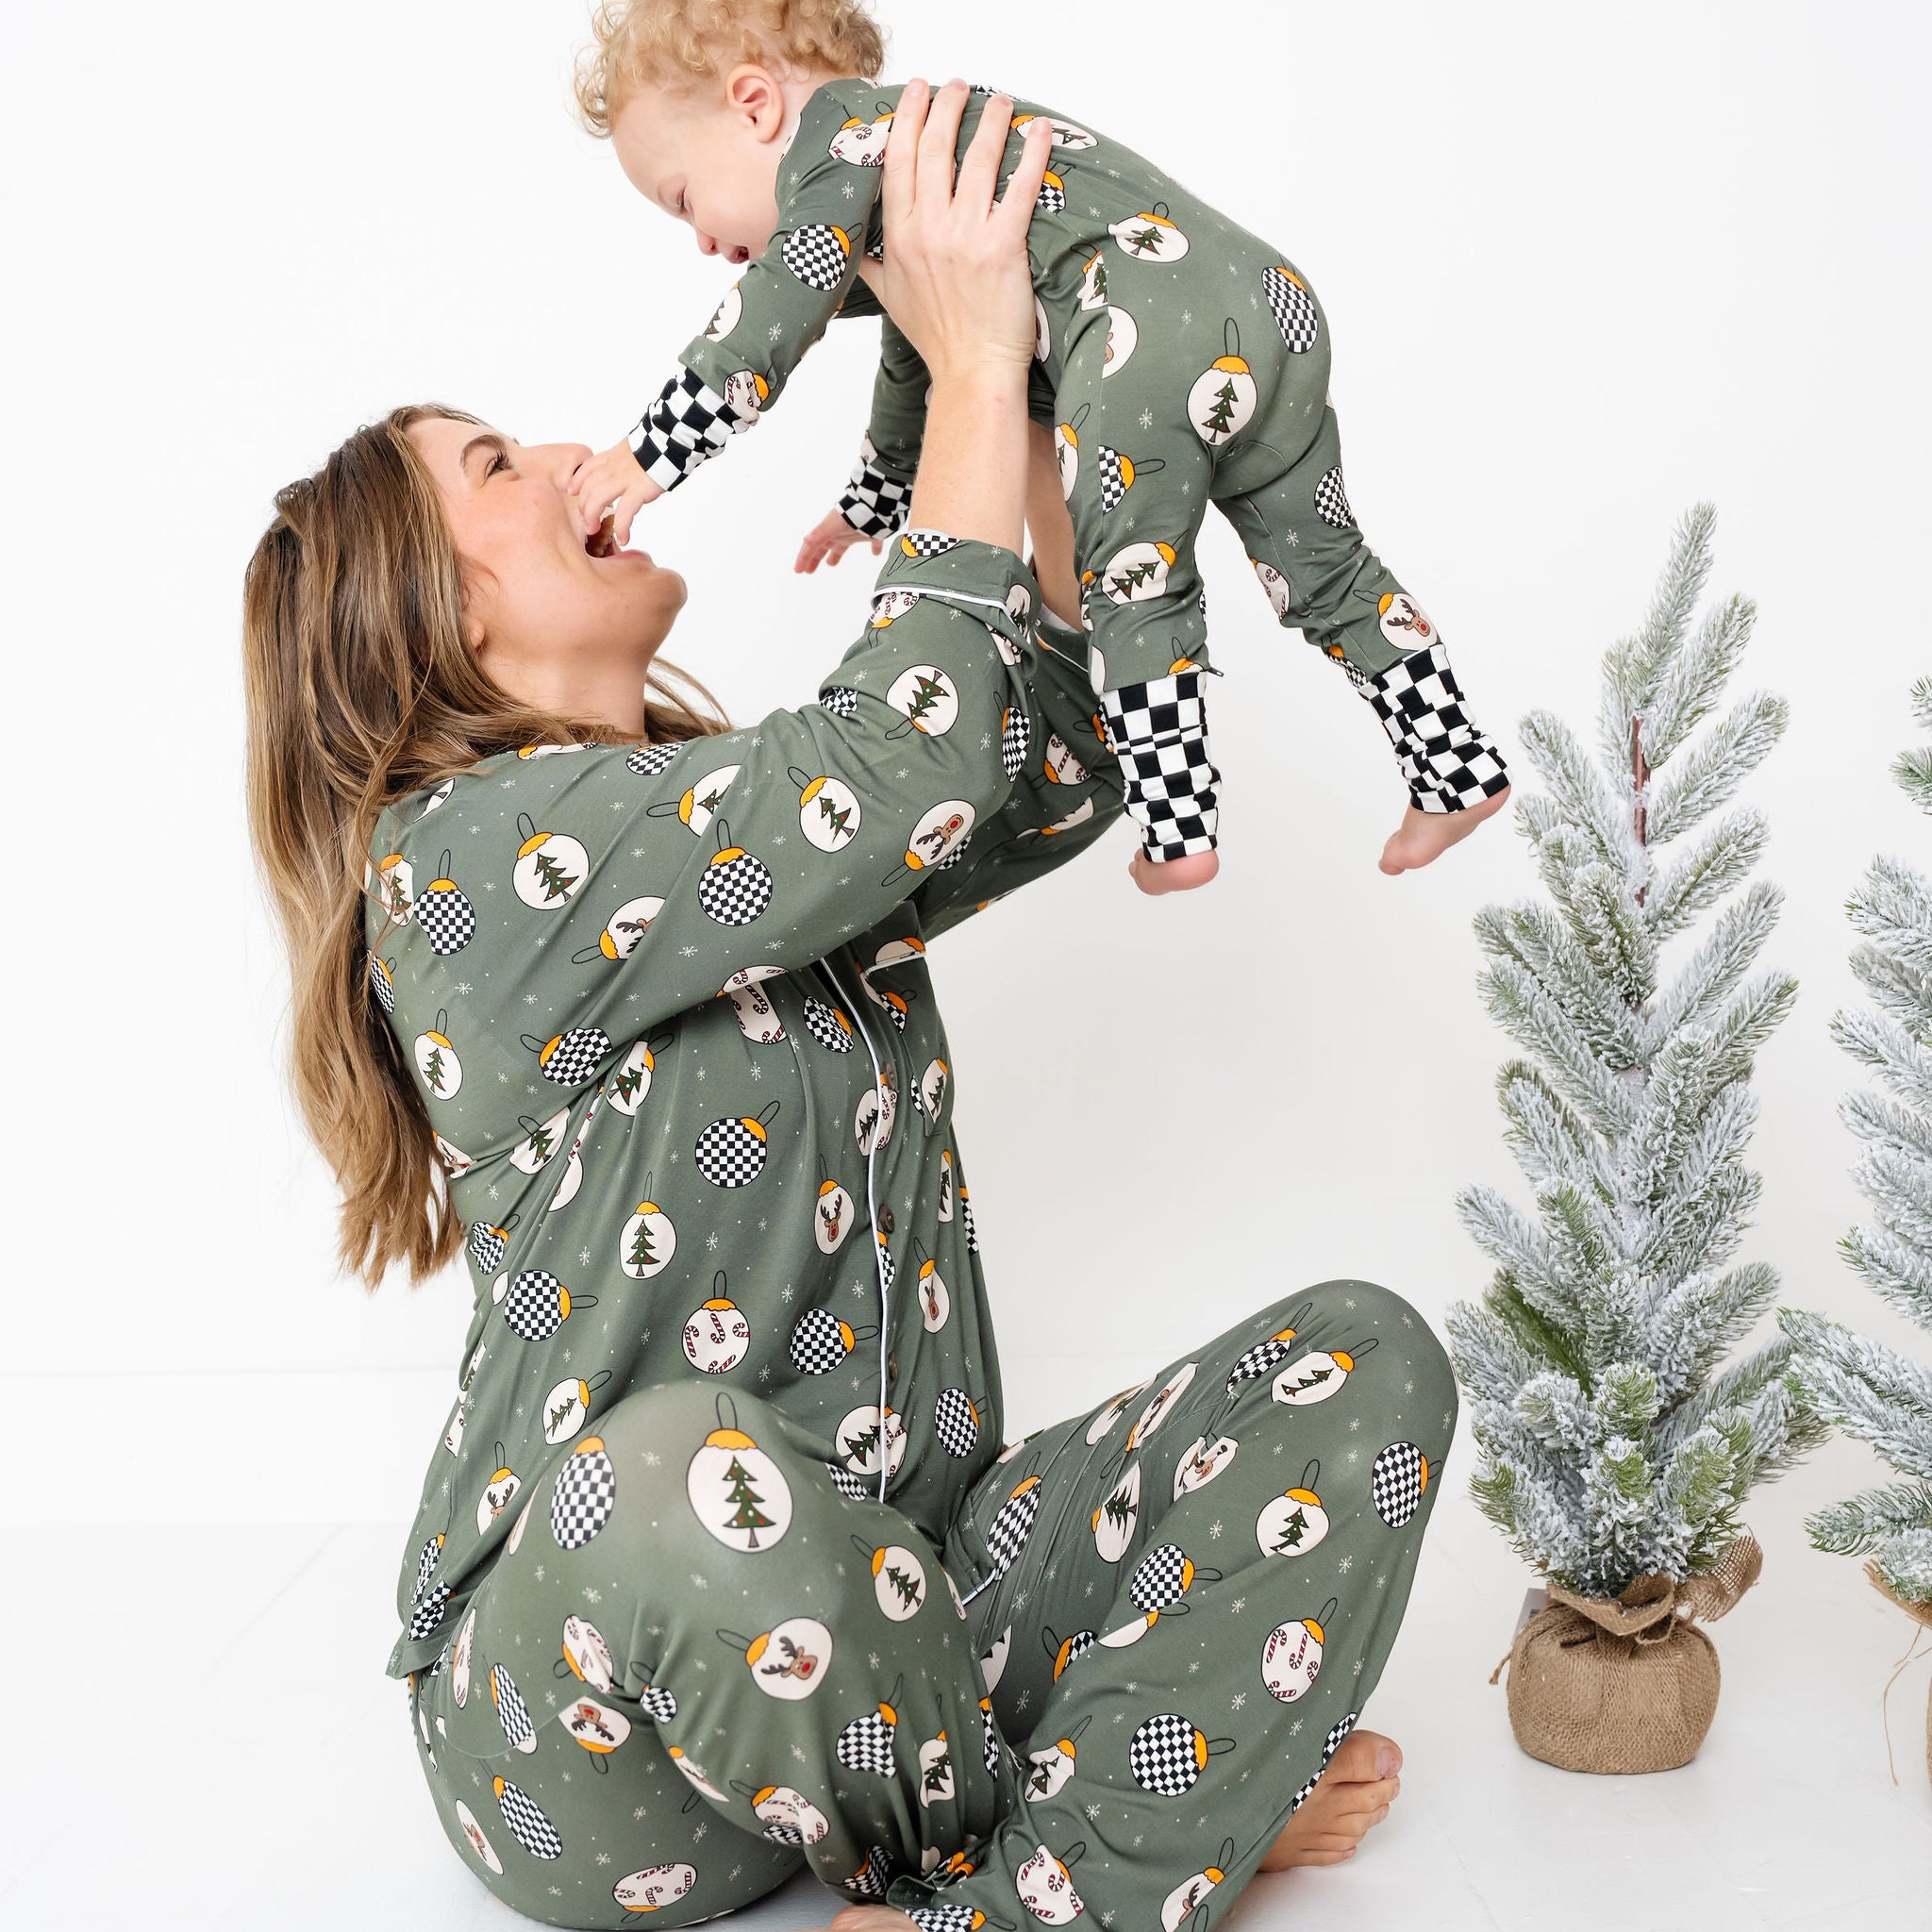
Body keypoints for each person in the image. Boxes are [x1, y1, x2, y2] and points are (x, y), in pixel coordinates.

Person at [242, 78, 1456, 1932]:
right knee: (664, 1474)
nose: (575, 453)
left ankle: (1017, 1878)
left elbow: (1034, 749)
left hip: (905, 1609)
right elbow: (908, 754)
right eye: (494, 467)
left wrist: (1038, 349)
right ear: (428, 621)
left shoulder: (736, 825)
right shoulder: (460, 865)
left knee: (1363, 1361)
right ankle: (1124, 1813)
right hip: (589, 1716)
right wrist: (957, 375)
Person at [564, 0, 1512, 898]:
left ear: (754, 104)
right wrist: (872, 497)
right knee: (1322, 564)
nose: (699, 241)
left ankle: (1178, 829)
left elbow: (766, 321)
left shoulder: (841, 138)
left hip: (1147, 331)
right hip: (1271, 302)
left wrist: (644, 457)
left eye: (682, 197)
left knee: (1132, 580)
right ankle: (1455, 768)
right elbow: (918, 350)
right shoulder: (908, 172)